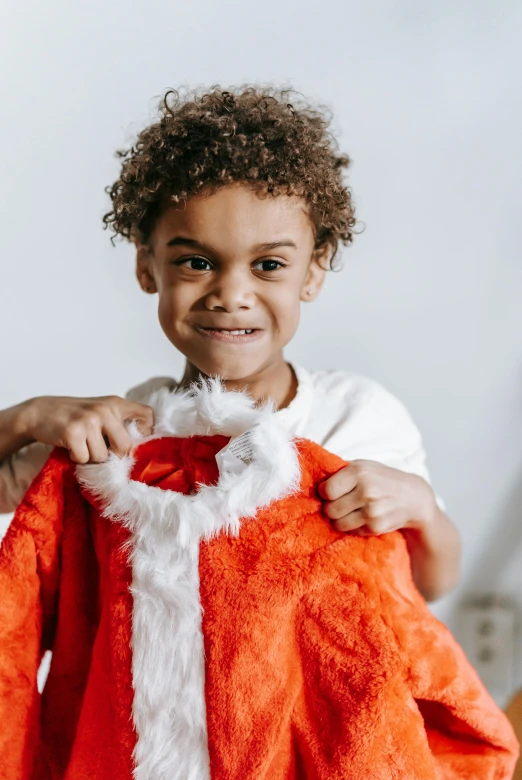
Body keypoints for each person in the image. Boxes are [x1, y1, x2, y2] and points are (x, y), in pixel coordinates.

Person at [0, 85, 460, 602]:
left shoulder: (355, 416)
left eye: (269, 265)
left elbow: (432, 585)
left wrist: (420, 507)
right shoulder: (132, 426)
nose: (232, 295)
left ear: (313, 271)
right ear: (146, 265)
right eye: (197, 262)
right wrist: (26, 416)